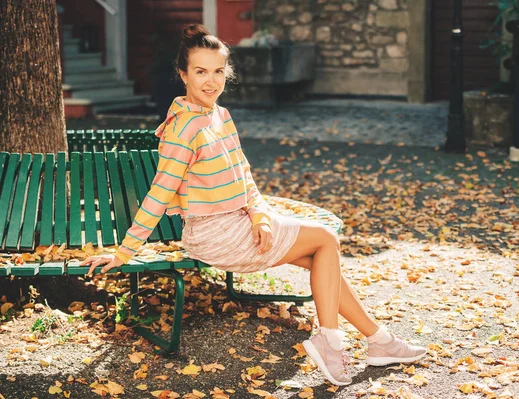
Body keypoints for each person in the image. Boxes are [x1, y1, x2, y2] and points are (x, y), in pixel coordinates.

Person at [81, 24, 426, 386]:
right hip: (216, 234)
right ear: (183, 74)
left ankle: (378, 341)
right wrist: (124, 253)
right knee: (325, 240)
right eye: (200, 72)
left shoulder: (220, 116)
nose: (210, 81)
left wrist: (261, 217)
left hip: (242, 224)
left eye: (217, 71)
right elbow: (159, 193)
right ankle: (331, 341)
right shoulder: (183, 130)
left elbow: (245, 176)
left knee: (320, 259)